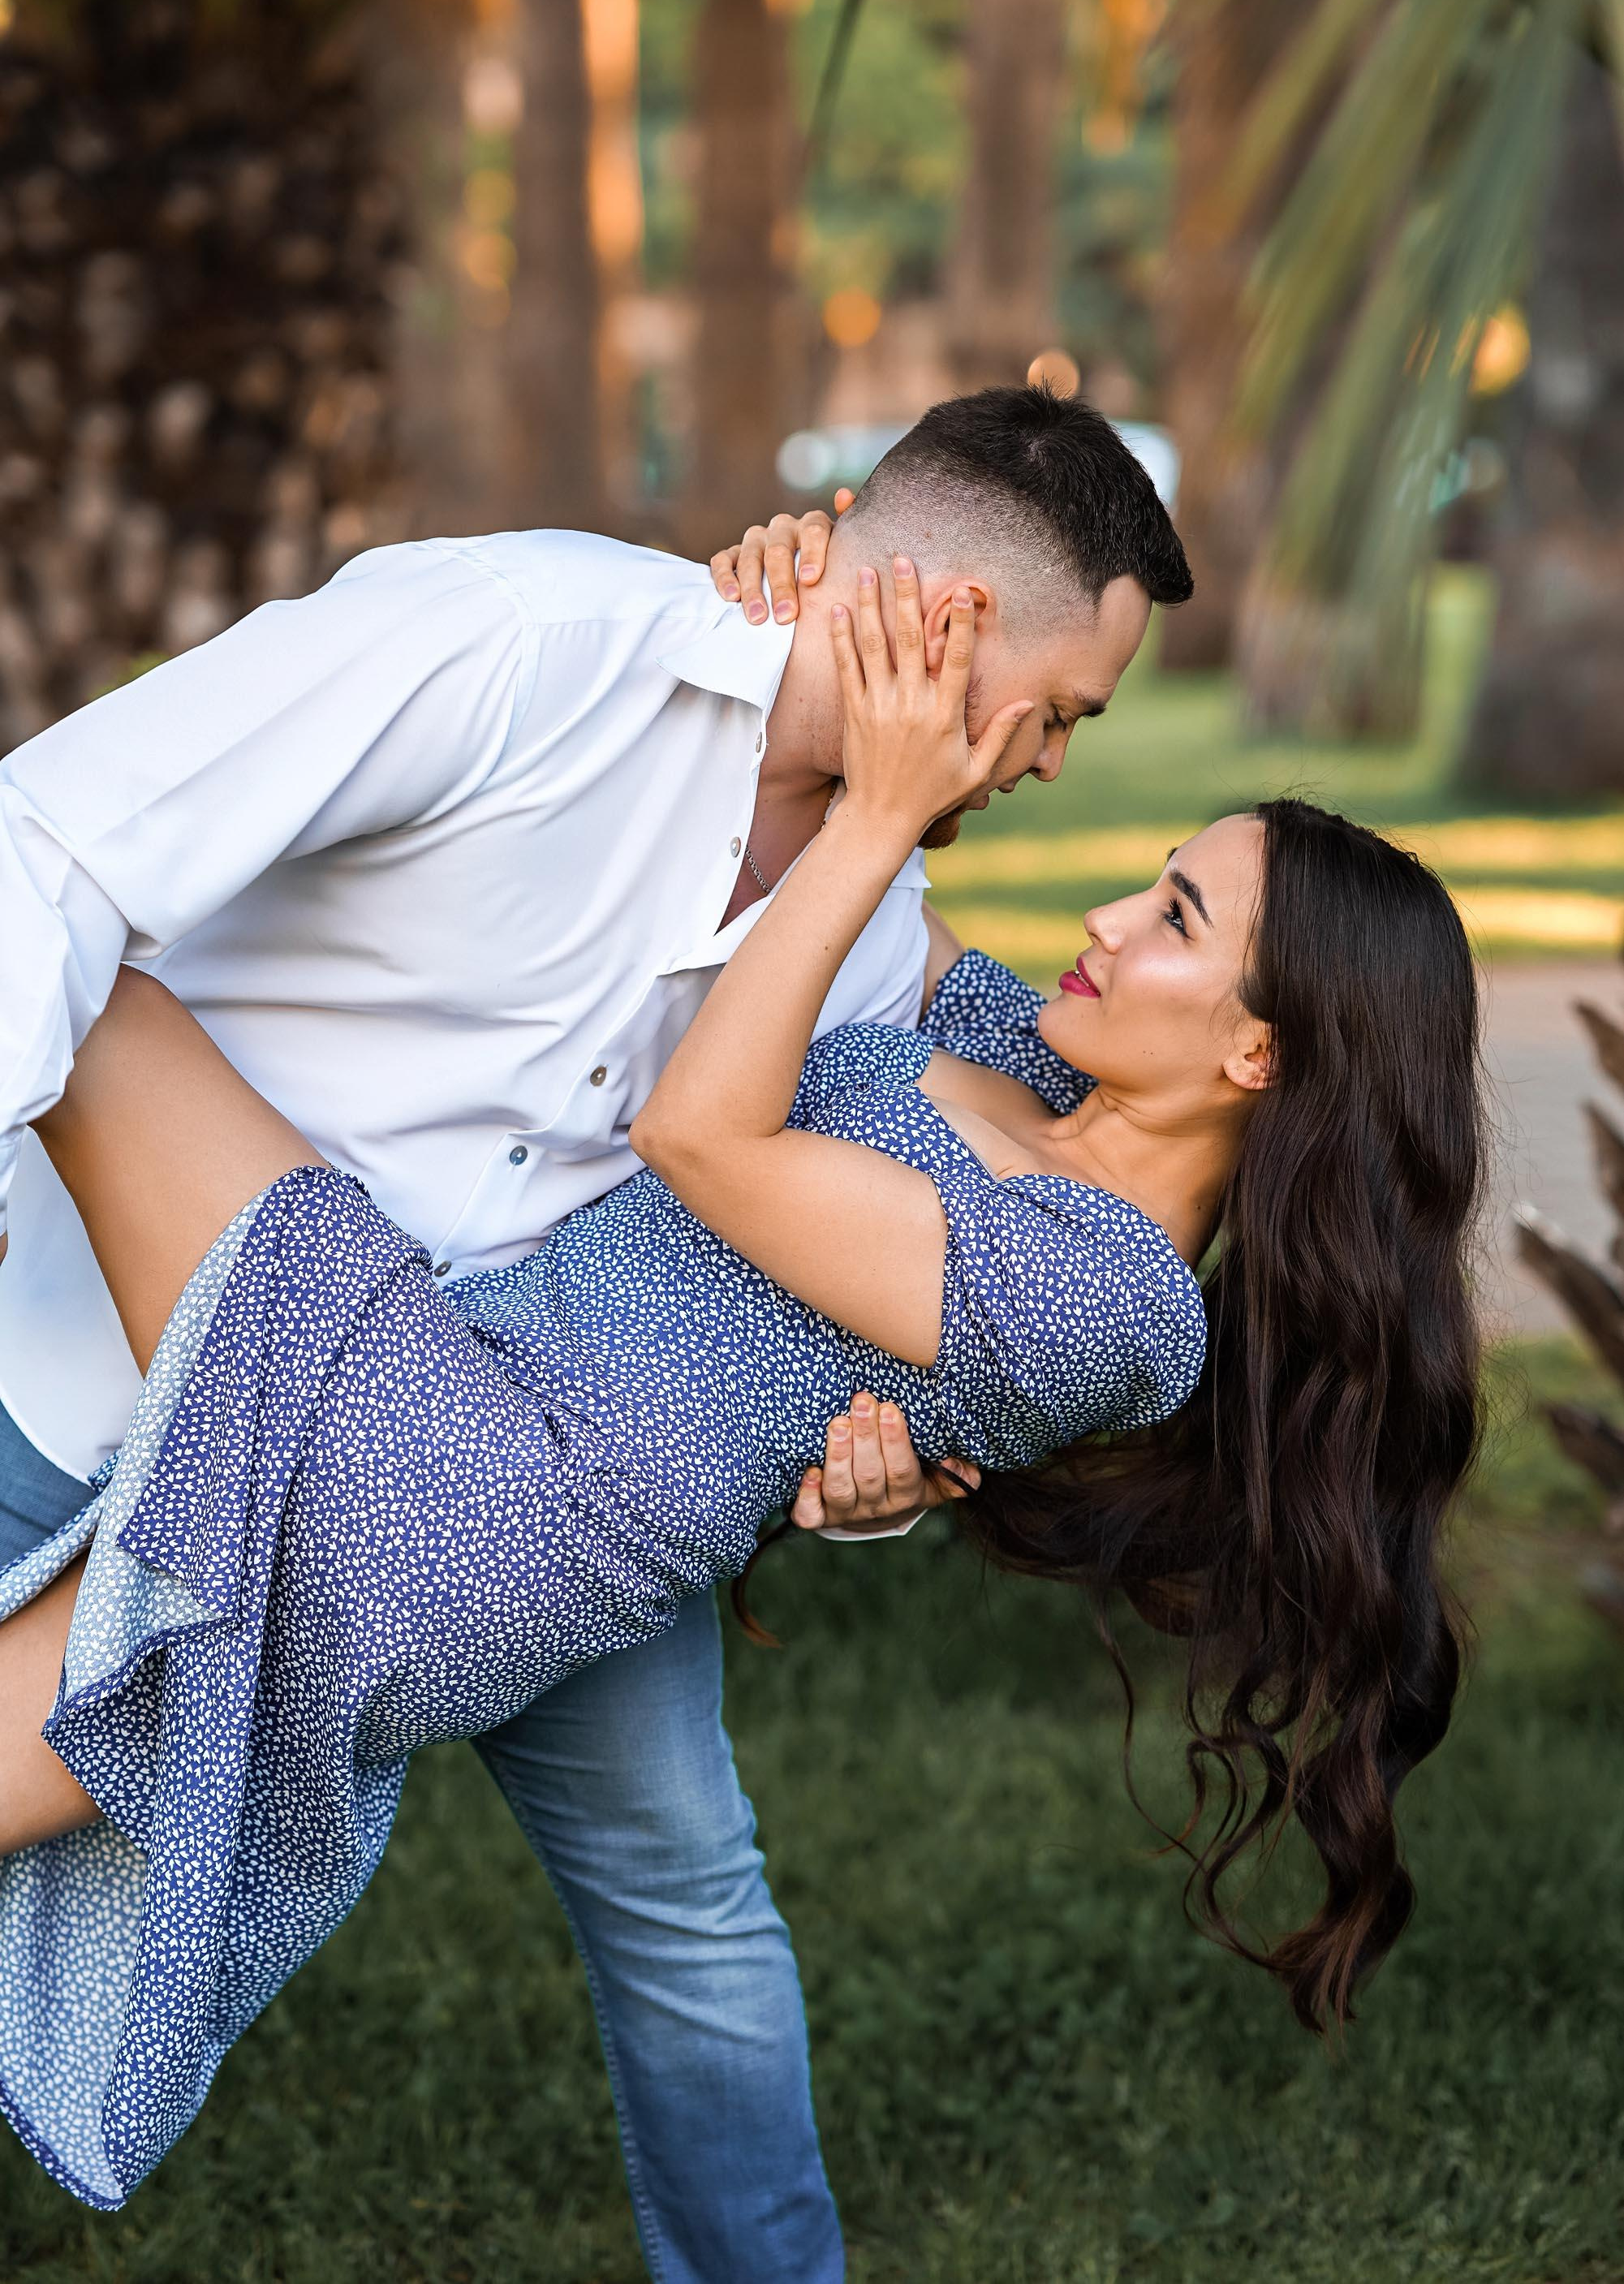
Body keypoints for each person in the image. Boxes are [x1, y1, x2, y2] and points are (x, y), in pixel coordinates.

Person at [0, 559, 1484, 2217]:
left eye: (1173, 923)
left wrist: (870, 822)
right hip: (476, 1418)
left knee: (90, 987)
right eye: (1149, 883)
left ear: (1255, 1056)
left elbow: (700, 1135)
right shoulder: (1028, 1059)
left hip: (477, 1506)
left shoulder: (1113, 1296)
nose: (1103, 919)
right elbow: (852, 941)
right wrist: (811, 595)